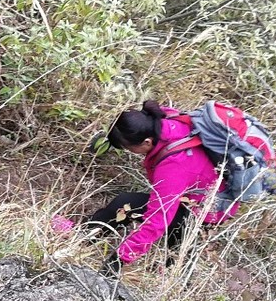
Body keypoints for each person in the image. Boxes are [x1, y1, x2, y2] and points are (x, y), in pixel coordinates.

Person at [84, 99, 238, 271]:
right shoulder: (165, 120)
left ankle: (173, 273)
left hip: (205, 212)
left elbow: (158, 219)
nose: (128, 151)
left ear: (147, 142)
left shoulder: (174, 166)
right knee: (127, 204)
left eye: (128, 147)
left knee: (134, 209)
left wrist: (118, 260)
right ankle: (84, 236)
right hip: (197, 195)